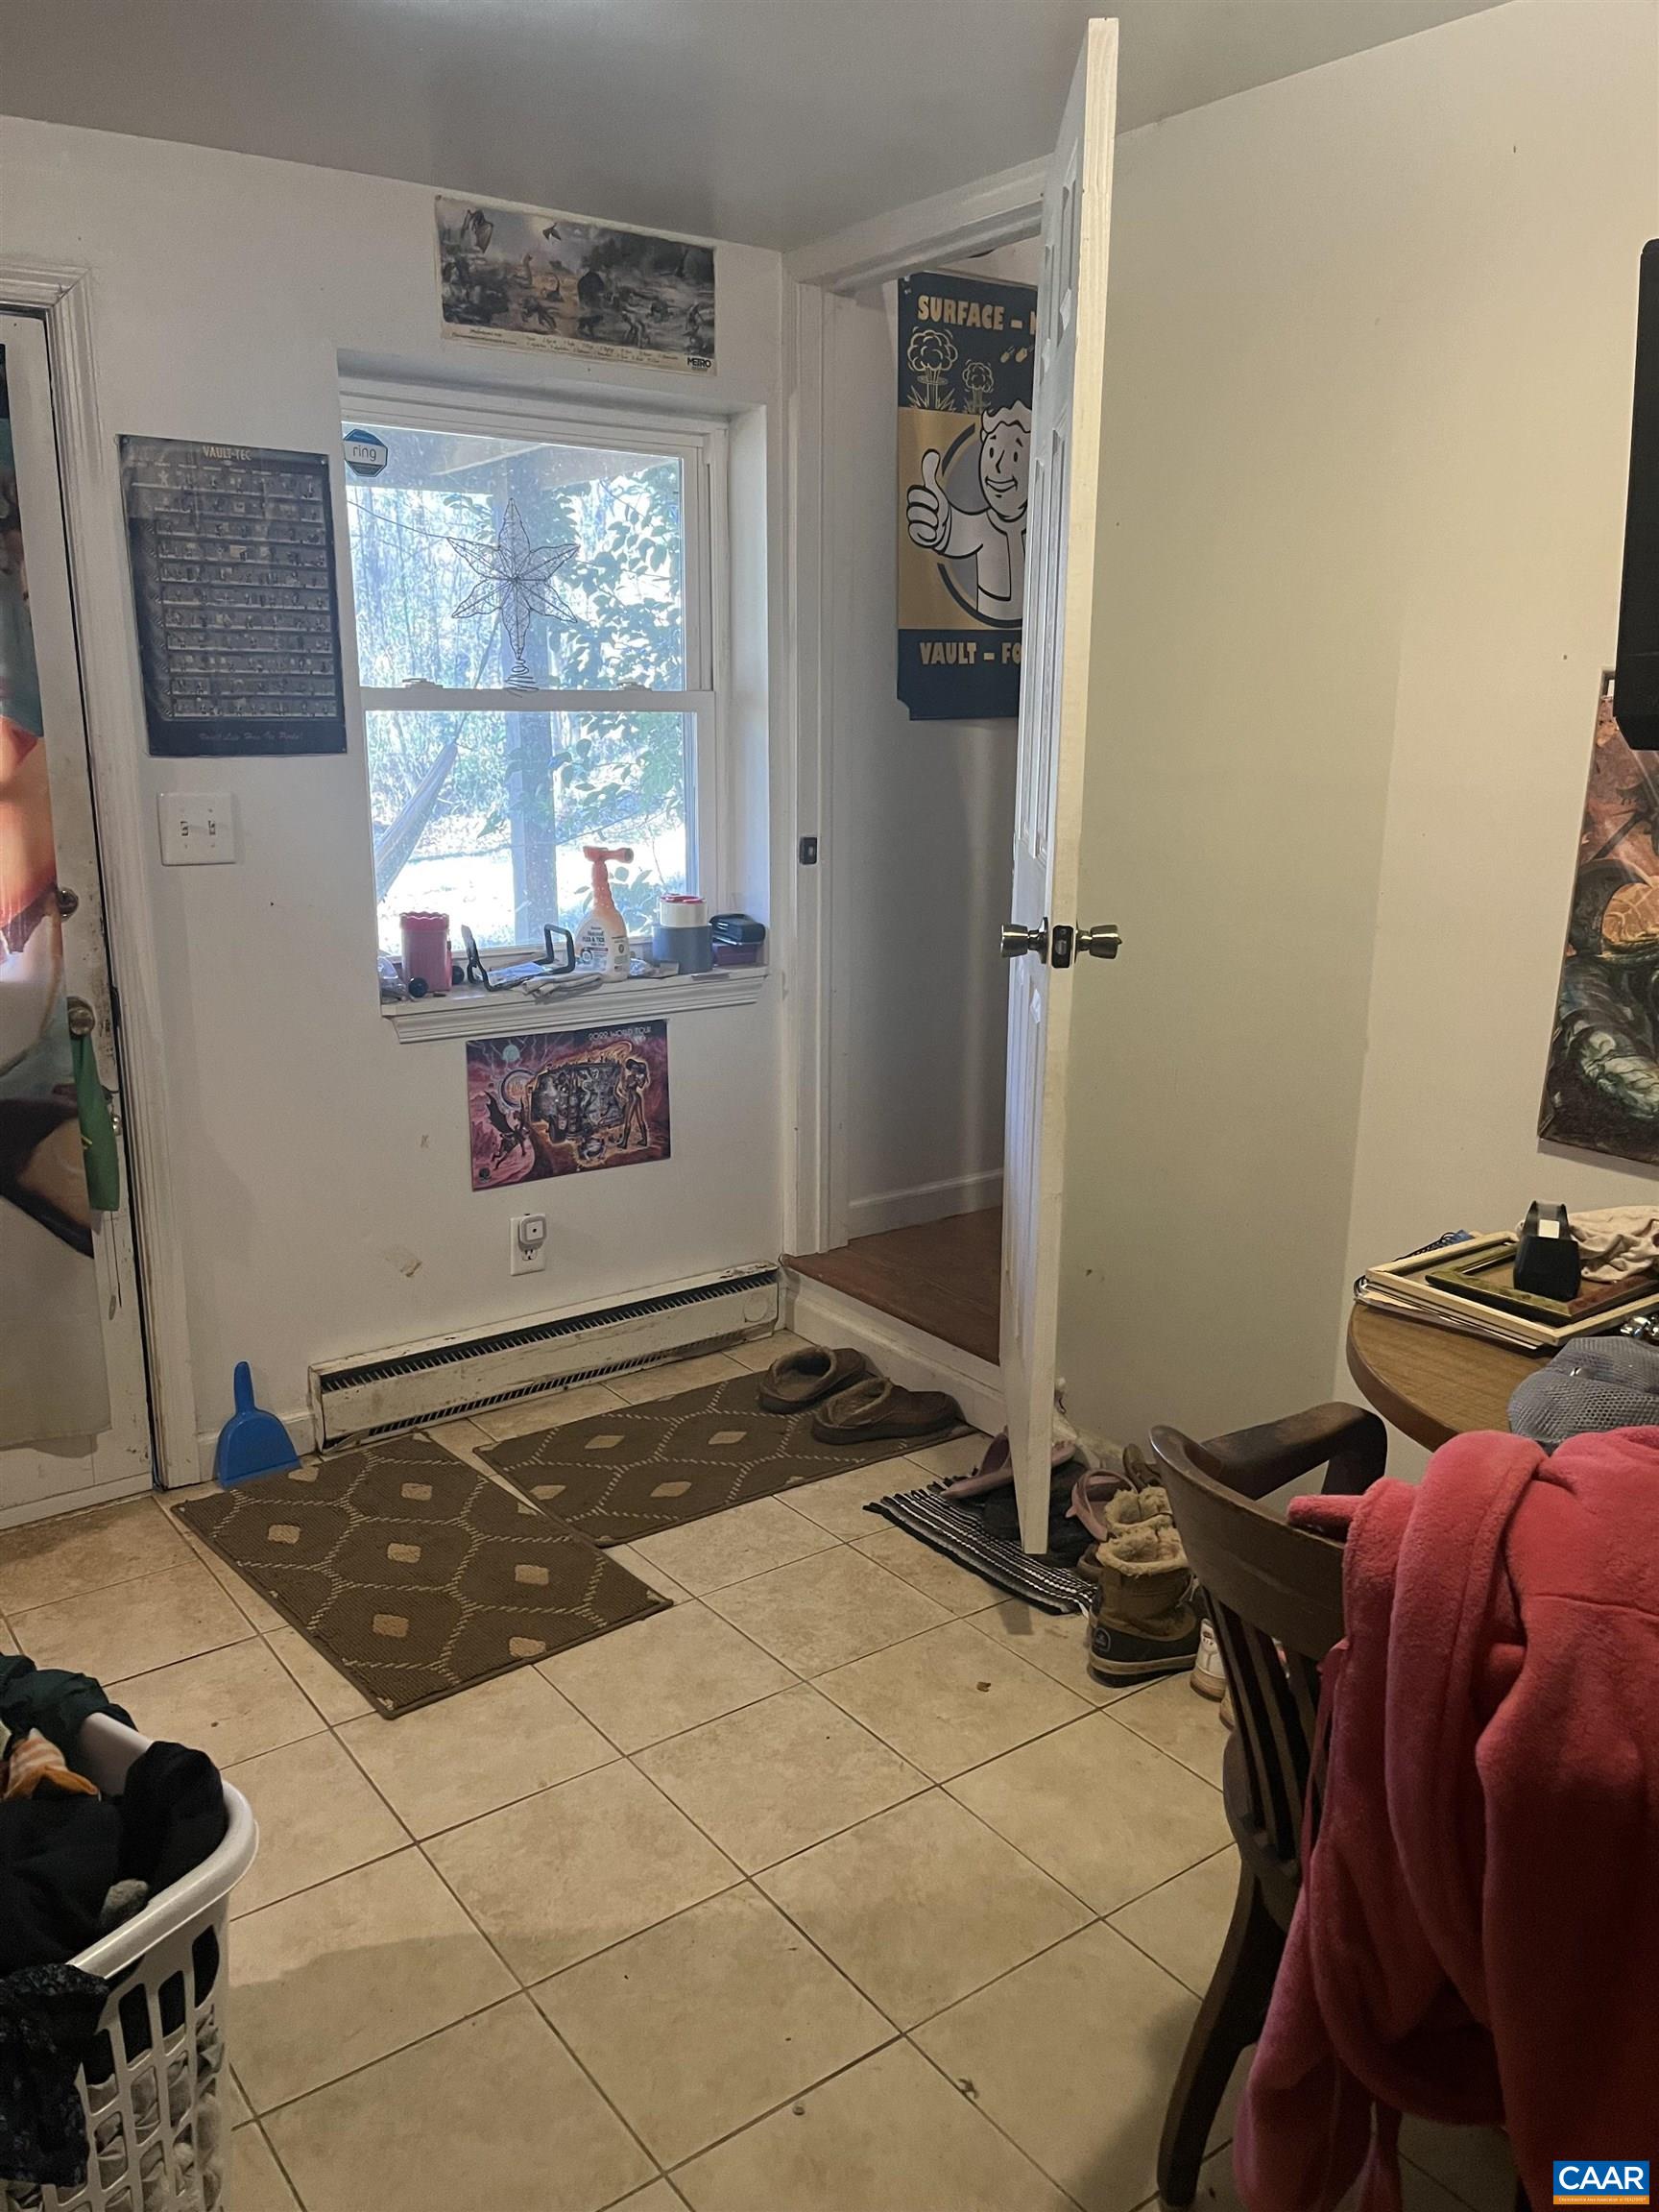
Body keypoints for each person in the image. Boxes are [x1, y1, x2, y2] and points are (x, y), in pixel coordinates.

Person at [904, 401, 1030, 621]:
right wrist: (936, 522)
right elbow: (950, 531)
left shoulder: (1046, 526)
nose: (999, 466)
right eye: (991, 452)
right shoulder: (983, 526)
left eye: (1015, 456)